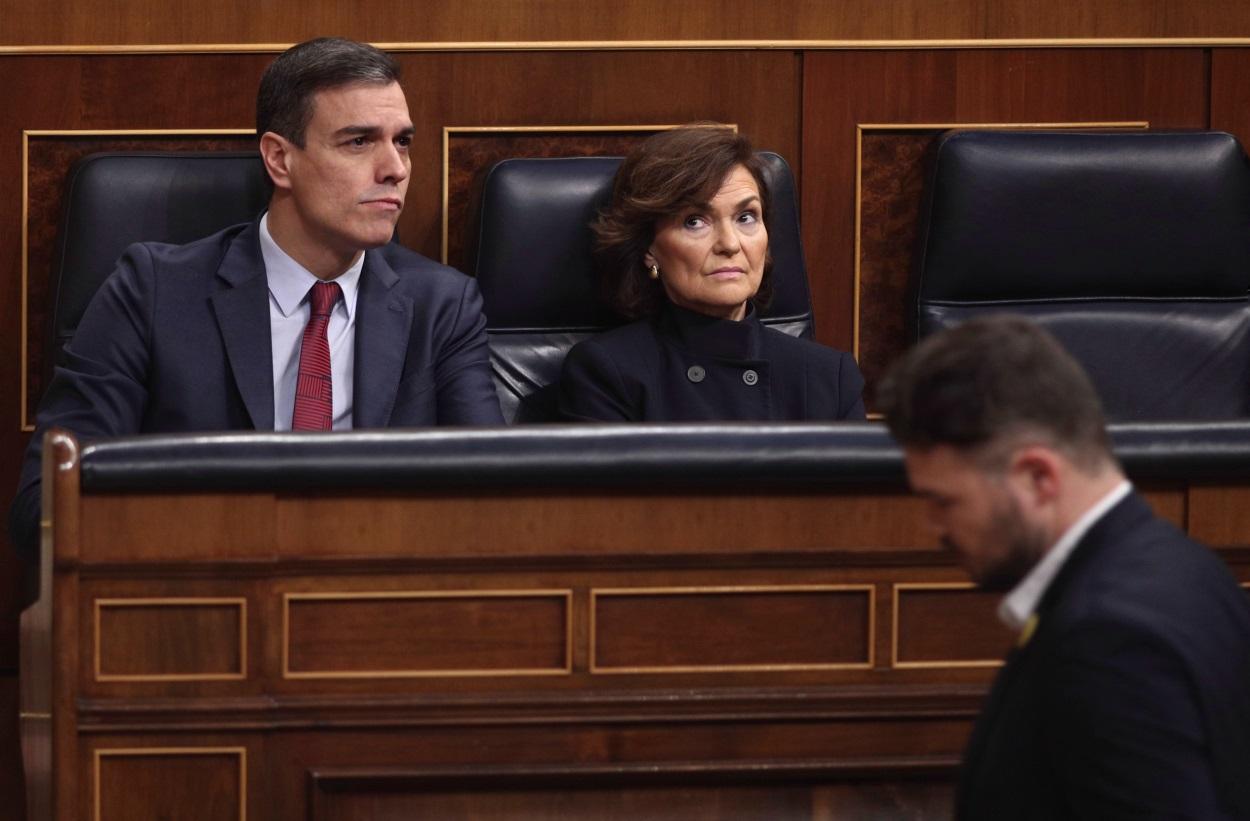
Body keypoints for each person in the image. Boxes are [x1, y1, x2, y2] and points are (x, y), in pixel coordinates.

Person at [9, 37, 503, 562]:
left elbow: (496, 499)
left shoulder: (443, 306)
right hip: (198, 604)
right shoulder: (152, 291)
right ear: (279, 159)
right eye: (359, 142)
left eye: (402, 142)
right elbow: (44, 506)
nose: (395, 169)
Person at [877, 315, 1250, 820]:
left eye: (945, 501)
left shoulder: (1109, 642)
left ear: (1038, 477)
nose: (933, 526)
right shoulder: (1187, 566)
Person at [558, 125, 865, 422]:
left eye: (746, 217)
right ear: (649, 248)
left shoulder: (831, 378)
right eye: (695, 221)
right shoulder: (606, 373)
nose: (730, 244)